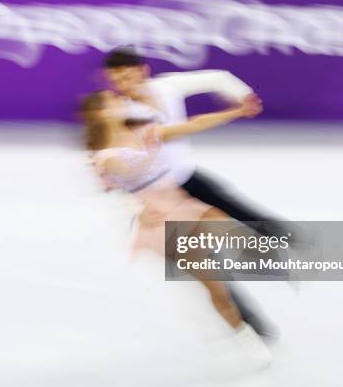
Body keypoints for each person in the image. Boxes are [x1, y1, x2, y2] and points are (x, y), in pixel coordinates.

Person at [102, 47, 283, 338]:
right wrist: (134, 208)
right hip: (160, 203)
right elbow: (113, 175)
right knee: (206, 268)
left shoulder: (164, 91)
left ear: (142, 72)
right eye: (116, 81)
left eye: (126, 77)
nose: (122, 86)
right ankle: (250, 324)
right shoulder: (123, 118)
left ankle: (282, 247)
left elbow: (211, 88)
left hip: (185, 180)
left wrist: (241, 99)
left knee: (237, 215)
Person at [80, 89, 271, 361]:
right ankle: (243, 338)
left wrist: (236, 111)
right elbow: (122, 184)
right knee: (215, 287)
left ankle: (268, 263)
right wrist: (136, 207)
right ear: (100, 113)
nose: (123, 103)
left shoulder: (143, 130)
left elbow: (194, 124)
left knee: (224, 225)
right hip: (160, 222)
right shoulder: (104, 156)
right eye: (113, 101)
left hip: (182, 205)